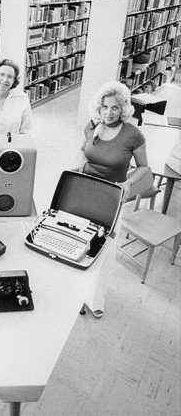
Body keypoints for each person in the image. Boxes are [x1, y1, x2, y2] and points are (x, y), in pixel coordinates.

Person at [77, 80, 148, 318]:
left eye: (115, 108)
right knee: (80, 240)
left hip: (111, 196)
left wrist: (128, 182)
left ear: (124, 109)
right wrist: (76, 168)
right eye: (105, 107)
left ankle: (95, 300)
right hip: (85, 189)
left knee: (102, 248)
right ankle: (77, 291)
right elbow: (83, 151)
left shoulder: (133, 134)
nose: (109, 113)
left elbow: (144, 168)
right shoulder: (92, 126)